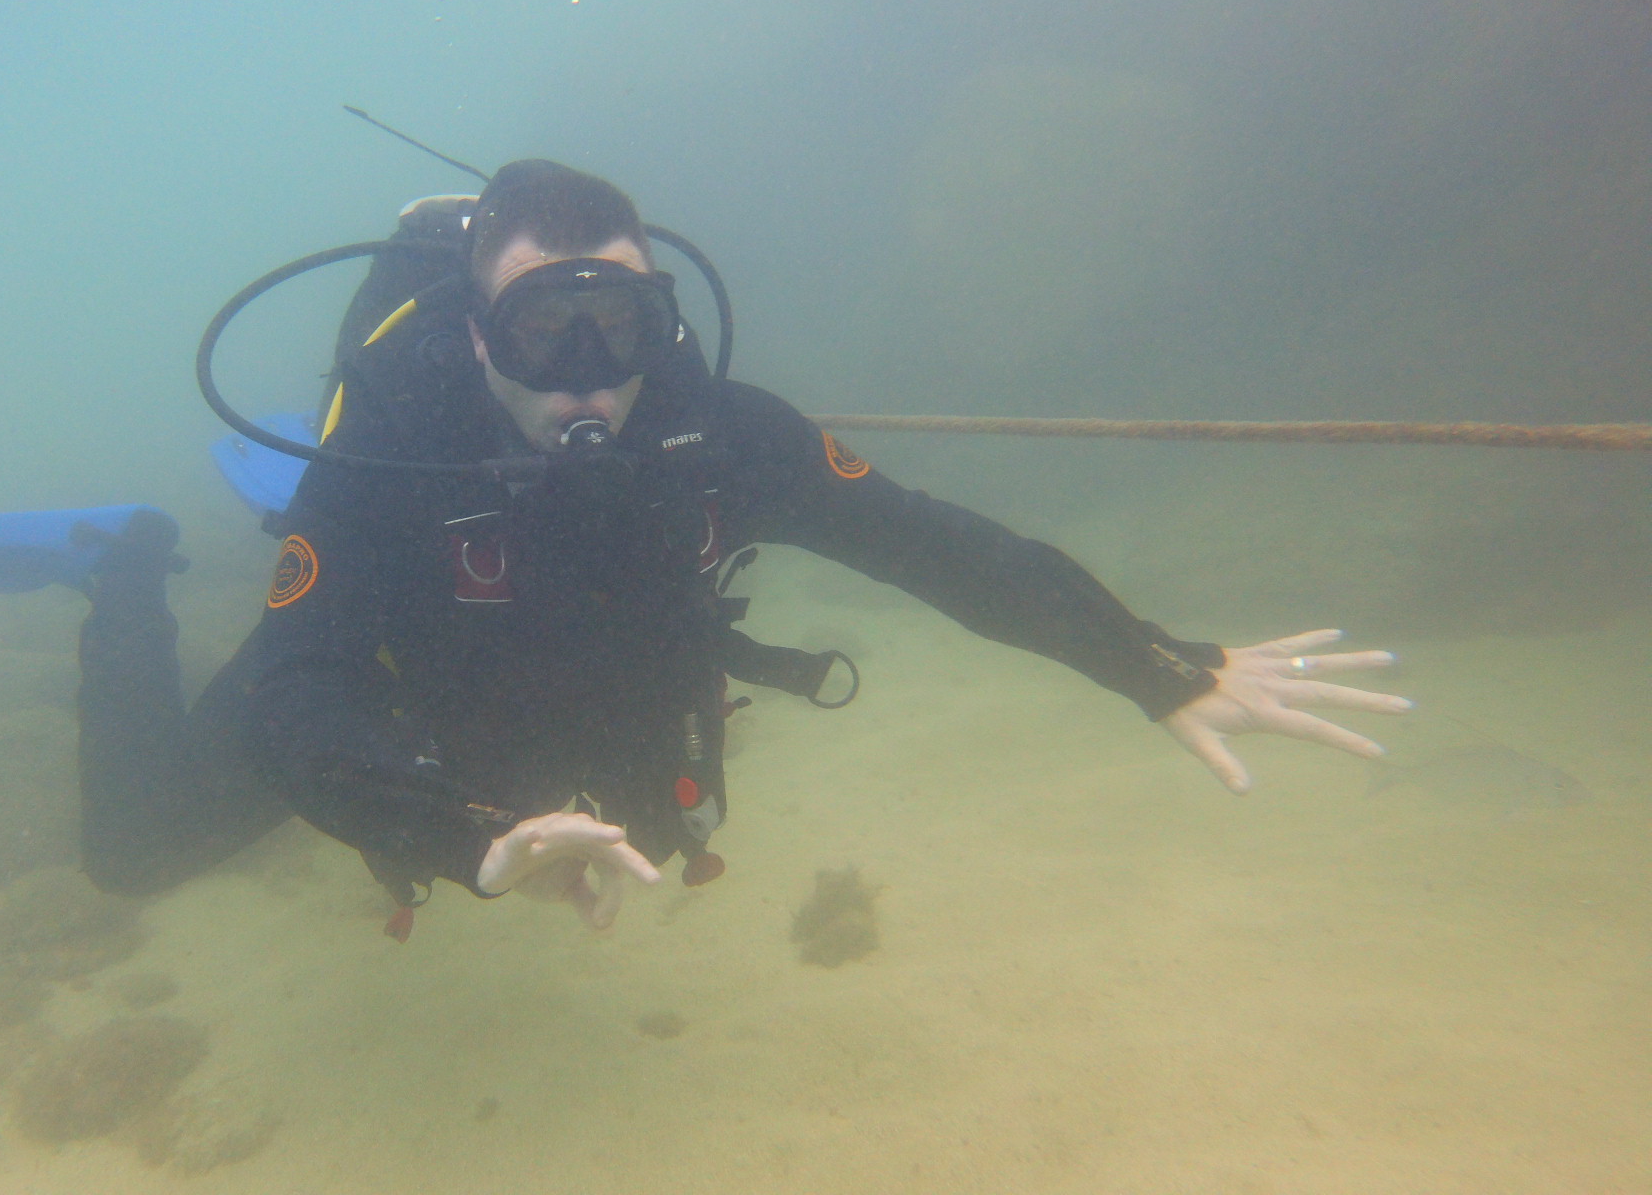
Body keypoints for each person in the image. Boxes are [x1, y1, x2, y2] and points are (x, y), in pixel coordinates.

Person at [75, 160, 1411, 931]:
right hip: (394, 676)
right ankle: (123, 566)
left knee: (646, 802)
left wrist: (1152, 664)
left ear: (664, 321)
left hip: (557, 672)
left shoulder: (722, 436)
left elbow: (938, 547)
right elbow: (302, 690)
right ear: (479, 339)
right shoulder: (386, 452)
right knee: (135, 853)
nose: (588, 372)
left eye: (621, 325)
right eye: (543, 330)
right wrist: (457, 833)